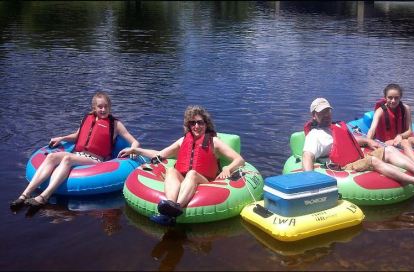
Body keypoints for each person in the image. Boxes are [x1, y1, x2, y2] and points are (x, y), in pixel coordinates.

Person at [10, 91, 140, 209]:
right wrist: (61, 138)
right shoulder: (87, 118)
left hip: (95, 160)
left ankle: (43, 197)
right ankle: (24, 195)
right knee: (51, 157)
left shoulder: (115, 124)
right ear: (94, 108)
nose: (103, 109)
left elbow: (135, 141)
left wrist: (132, 149)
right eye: (100, 106)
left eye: (106, 106)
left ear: (110, 107)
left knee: (67, 158)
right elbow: (77, 136)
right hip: (78, 154)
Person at [118, 105, 245, 225]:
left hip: (204, 180)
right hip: (184, 179)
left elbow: (239, 160)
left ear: (206, 125)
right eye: (192, 123)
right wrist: (135, 150)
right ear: (188, 125)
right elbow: (160, 154)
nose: (196, 126)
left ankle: (176, 208)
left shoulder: (214, 142)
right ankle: (170, 206)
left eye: (200, 122)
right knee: (171, 171)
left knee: (192, 174)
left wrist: (227, 168)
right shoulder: (183, 140)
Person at [302, 97, 414, 194]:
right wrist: (309, 181)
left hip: (356, 157)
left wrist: (368, 141)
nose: (327, 115)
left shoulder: (335, 128)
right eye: (322, 113)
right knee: (373, 161)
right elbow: (307, 155)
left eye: (328, 111)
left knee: (388, 150)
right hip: (342, 165)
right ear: (314, 116)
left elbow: (351, 141)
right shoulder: (314, 136)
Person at [367, 83, 414, 171]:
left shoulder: (406, 109)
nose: (393, 101)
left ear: (400, 97)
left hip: (401, 138)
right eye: (390, 97)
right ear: (385, 97)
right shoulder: (380, 111)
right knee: (405, 143)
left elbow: (410, 131)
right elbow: (372, 130)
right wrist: (368, 141)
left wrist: (400, 136)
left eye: (396, 98)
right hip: (385, 142)